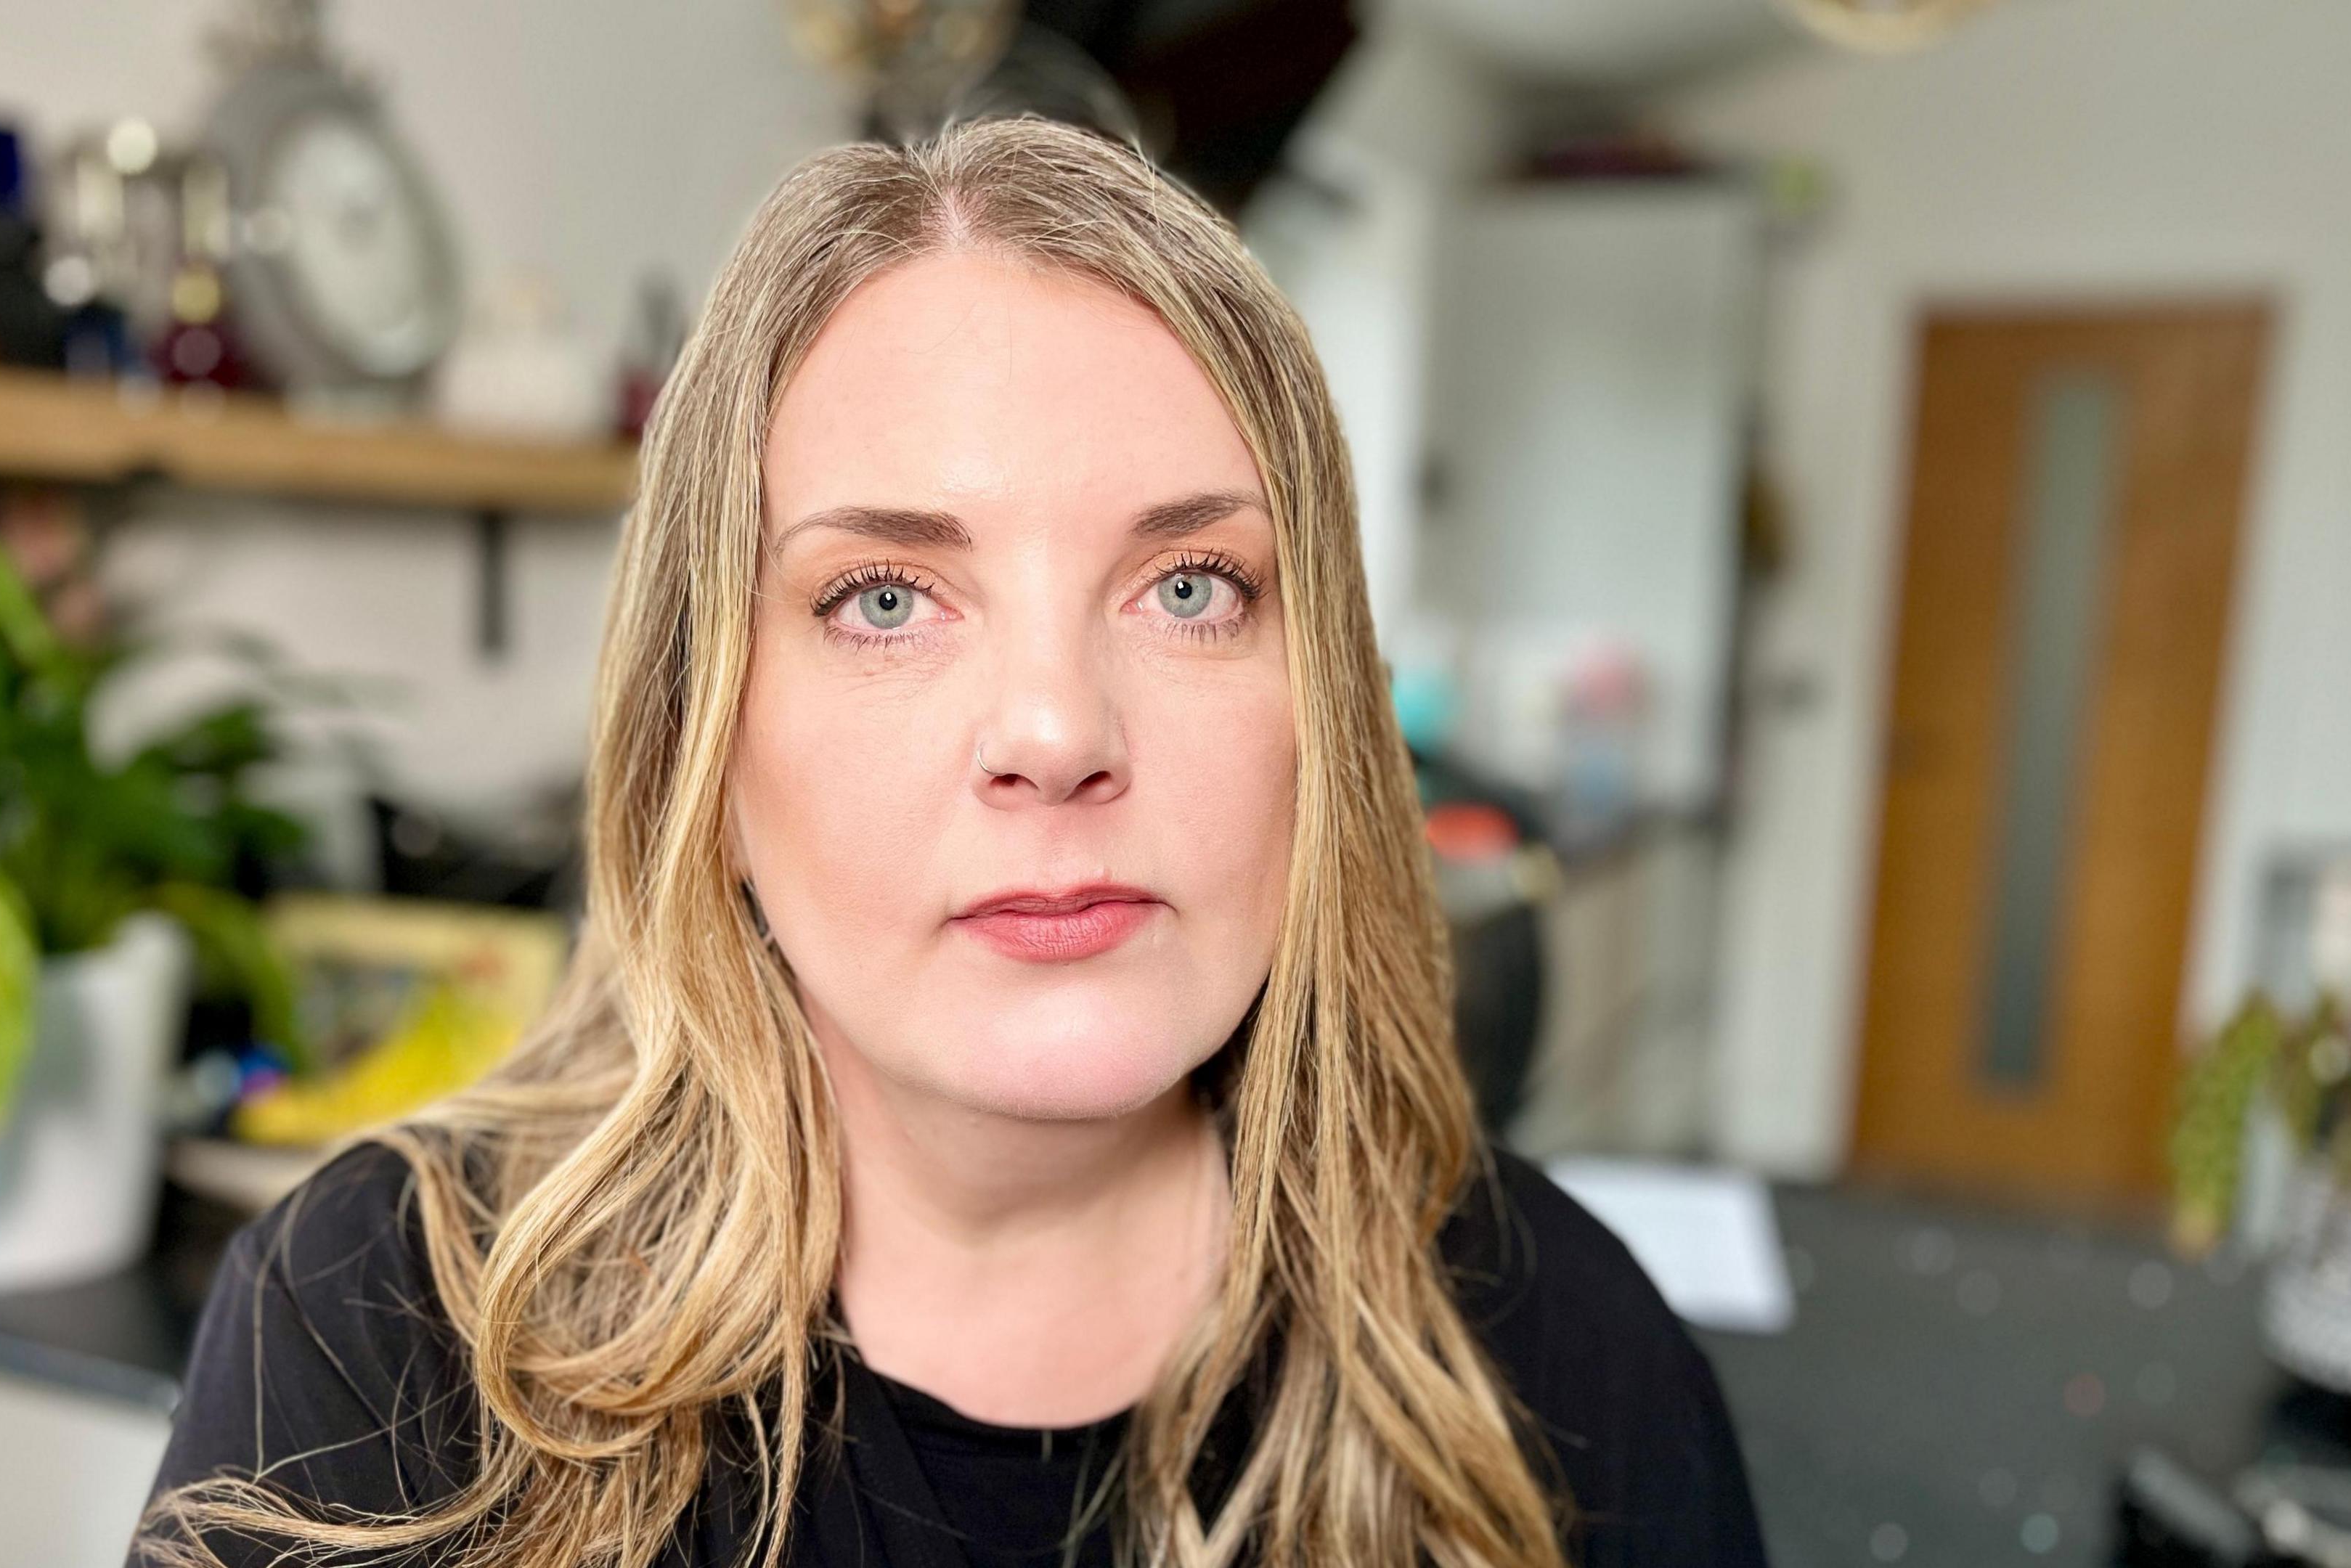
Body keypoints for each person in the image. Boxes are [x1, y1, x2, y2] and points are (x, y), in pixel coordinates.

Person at [131, 115, 1766, 1568]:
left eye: (1191, 588)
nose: (1057, 733)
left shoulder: (1561, 1357)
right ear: (703, 732)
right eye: (887, 599)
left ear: (1322, 713)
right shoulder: (377, 1337)